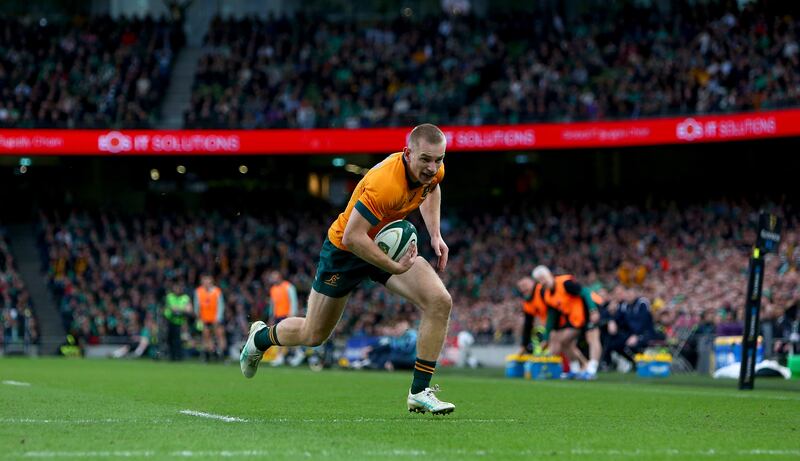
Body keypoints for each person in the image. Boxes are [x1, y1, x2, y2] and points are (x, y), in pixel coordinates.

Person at [240, 124, 455, 415]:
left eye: (438, 160)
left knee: (439, 301)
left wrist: (435, 234)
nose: (432, 167)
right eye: (426, 159)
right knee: (313, 334)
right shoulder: (384, 183)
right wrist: (394, 266)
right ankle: (260, 338)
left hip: (385, 244)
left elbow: (432, 189)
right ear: (408, 153)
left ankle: (419, 391)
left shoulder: (433, 170)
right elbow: (353, 237)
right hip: (345, 253)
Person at [533, 265, 602, 380]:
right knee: (564, 341)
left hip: (590, 309)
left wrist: (593, 310)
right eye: (539, 280)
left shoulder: (565, 284)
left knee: (592, 338)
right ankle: (574, 369)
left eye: (543, 278)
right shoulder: (548, 295)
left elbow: (585, 291)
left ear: (549, 275)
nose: (542, 282)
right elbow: (551, 317)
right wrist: (546, 338)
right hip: (575, 318)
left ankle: (592, 369)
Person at [266, 270, 299, 366]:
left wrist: (292, 314)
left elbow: (293, 301)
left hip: (286, 315)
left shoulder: (289, 286)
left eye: (275, 276)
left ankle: (281, 356)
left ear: (280, 277)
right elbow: (273, 304)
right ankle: (294, 353)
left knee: (283, 336)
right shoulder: (273, 289)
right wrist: (271, 316)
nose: (273, 278)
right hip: (277, 316)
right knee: (283, 336)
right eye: (272, 277)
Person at [194, 274, 226, 362]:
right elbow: (197, 306)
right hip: (205, 318)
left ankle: (221, 354)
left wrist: (218, 318)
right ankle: (208, 354)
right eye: (204, 280)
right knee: (206, 336)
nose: (206, 283)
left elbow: (221, 306)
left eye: (208, 280)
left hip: (216, 319)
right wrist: (198, 317)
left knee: (220, 334)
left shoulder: (217, 291)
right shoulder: (198, 291)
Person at [164, 281, 192, 361]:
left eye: (178, 288)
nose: (177, 289)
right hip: (170, 321)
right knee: (170, 339)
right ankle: (172, 356)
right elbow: (172, 308)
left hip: (181, 322)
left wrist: (178, 309)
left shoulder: (185, 297)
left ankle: (178, 356)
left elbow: (189, 310)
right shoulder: (170, 296)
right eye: (175, 287)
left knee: (178, 340)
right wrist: (182, 309)